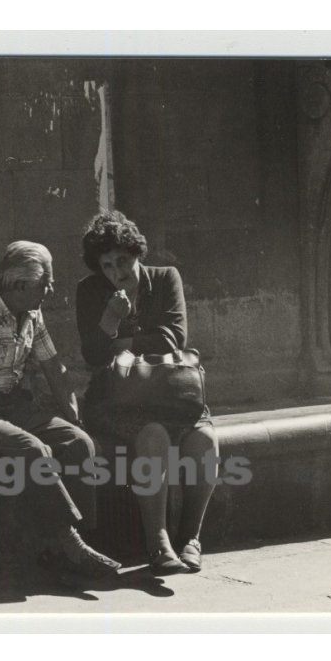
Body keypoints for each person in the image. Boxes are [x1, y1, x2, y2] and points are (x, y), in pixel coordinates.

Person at [0, 240, 121, 584]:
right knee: (34, 450)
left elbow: (55, 369)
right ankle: (72, 546)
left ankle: (67, 546)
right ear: (19, 285)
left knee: (79, 443)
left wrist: (74, 418)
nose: (50, 290)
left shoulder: (31, 312)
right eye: (44, 283)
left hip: (11, 404)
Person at [76, 211, 219, 575]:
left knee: (203, 439)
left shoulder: (165, 278)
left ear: (136, 252)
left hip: (171, 393)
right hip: (116, 400)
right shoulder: (90, 291)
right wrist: (109, 318)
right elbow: (92, 355)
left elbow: (175, 337)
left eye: (122, 260)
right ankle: (159, 544)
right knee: (153, 435)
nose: (116, 272)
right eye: (106, 265)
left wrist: (118, 342)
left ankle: (191, 539)